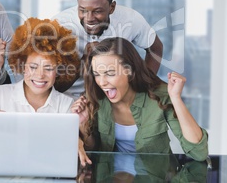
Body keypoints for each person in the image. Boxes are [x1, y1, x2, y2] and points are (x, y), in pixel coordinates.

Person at [71, 37, 208, 166]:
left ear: (130, 71)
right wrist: (83, 126)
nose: (102, 82)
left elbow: (199, 153)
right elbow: (93, 150)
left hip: (154, 176)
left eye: (110, 73)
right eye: (97, 74)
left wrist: (176, 98)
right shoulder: (96, 98)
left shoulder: (159, 95)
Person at [0, 17, 81, 147]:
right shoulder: (1, 95)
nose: (40, 75)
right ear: (23, 66)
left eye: (48, 68)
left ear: (58, 70)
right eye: (33, 67)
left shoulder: (66, 106)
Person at [52, 0, 163, 97]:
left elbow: (156, 48)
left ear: (112, 7)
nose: (89, 18)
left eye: (97, 11)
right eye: (82, 10)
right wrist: (84, 61)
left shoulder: (129, 19)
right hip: (71, 102)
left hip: (114, 101)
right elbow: (53, 87)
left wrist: (141, 89)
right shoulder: (60, 25)